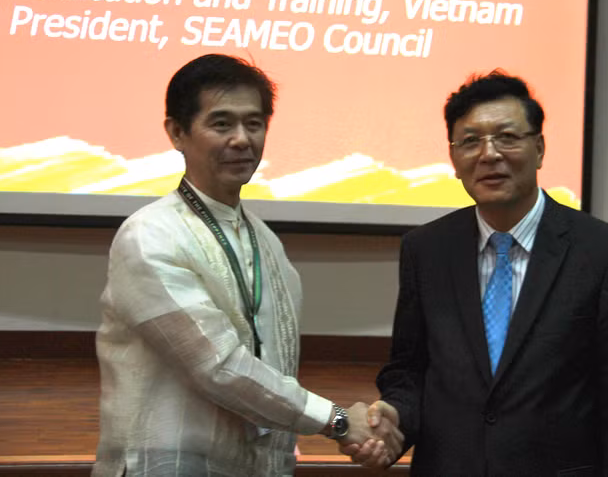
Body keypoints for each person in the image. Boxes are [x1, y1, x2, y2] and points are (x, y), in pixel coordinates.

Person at [92, 54, 400, 476]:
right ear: (177, 132)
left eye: (254, 124)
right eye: (221, 124)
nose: (241, 139)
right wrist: (340, 422)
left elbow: (273, 368)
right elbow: (217, 366)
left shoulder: (267, 243)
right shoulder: (149, 236)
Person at [343, 70, 608, 475]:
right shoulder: (426, 250)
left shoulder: (604, 253)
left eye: (507, 137)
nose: (489, 154)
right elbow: (410, 370)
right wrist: (396, 415)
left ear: (539, 149)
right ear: (454, 160)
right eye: (470, 141)